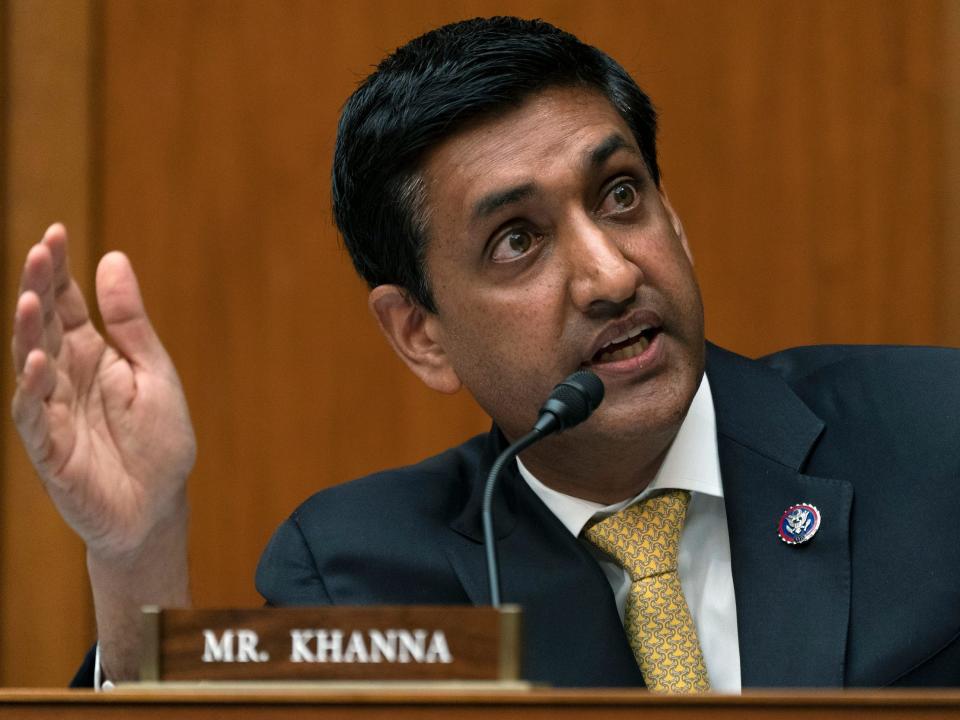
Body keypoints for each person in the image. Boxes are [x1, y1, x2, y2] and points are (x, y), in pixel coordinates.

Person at [11, 17, 960, 691]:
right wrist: (135, 555)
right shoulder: (365, 575)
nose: (609, 274)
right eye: (518, 240)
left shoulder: (932, 434)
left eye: (621, 195)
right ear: (420, 334)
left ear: (675, 219)